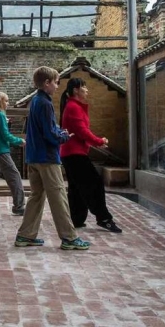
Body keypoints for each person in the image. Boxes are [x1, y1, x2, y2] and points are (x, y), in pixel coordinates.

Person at [15, 66, 90, 250]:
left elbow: (45, 129)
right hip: (47, 157)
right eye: (56, 82)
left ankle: (25, 235)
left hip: (33, 156)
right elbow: (50, 133)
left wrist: (58, 131)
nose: (57, 86)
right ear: (46, 83)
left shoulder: (35, 101)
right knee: (59, 197)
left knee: (36, 196)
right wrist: (64, 136)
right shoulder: (46, 103)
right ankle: (69, 237)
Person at [59, 78, 123, 233]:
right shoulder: (73, 107)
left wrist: (97, 141)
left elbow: (82, 131)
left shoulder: (74, 106)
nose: (87, 90)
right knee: (94, 184)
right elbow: (82, 131)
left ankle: (76, 219)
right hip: (74, 154)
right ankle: (104, 218)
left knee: (77, 187)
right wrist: (99, 141)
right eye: (84, 87)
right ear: (76, 90)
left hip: (71, 153)